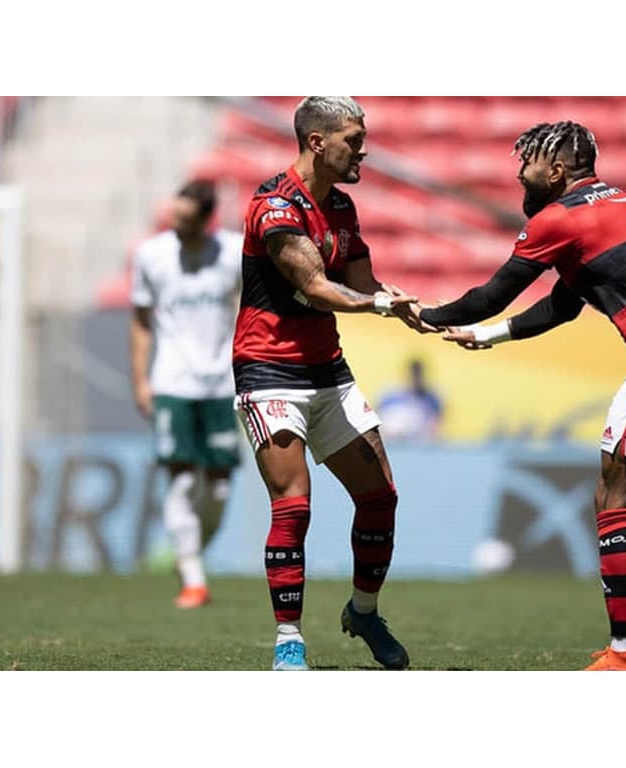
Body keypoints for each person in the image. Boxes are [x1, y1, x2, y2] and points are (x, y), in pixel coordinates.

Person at [419, 121, 626, 671]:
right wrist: (488, 338)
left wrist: (423, 314)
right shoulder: (612, 206)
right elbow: (561, 307)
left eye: (530, 163)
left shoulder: (560, 218)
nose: (520, 171)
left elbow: (493, 294)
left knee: (611, 499)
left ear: (558, 171)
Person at [232, 96, 435, 671]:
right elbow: (319, 287)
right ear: (318, 142)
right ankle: (288, 639)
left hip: (327, 371)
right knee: (294, 505)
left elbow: (366, 284)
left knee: (380, 497)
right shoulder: (273, 207)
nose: (363, 149)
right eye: (353, 138)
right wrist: (378, 304)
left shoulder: (342, 208)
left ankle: (364, 612)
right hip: (268, 369)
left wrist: (412, 308)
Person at [130, 179, 243, 609]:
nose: (178, 226)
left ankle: (189, 556)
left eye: (188, 220)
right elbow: (140, 321)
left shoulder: (231, 253)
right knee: (180, 479)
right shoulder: (152, 255)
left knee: (218, 491)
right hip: (173, 383)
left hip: (220, 384)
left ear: (207, 220)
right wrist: (141, 379)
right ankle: (194, 578)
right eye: (175, 217)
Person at [377, 358, 444, 441]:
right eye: (413, 375)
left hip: (419, 446)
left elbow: (435, 430)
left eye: (418, 376)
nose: (416, 379)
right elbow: (379, 426)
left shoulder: (432, 399)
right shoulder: (390, 396)